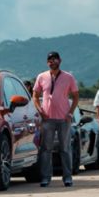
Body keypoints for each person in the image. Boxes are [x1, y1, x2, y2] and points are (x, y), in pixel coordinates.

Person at [32, 52, 78, 187]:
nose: (52, 62)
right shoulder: (41, 76)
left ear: (60, 60)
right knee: (46, 149)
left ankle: (67, 177)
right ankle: (46, 177)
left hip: (64, 118)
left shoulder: (68, 77)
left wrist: (70, 113)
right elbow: (35, 95)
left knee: (65, 148)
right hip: (47, 118)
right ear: (47, 62)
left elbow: (75, 96)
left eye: (55, 59)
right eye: (50, 60)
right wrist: (40, 110)